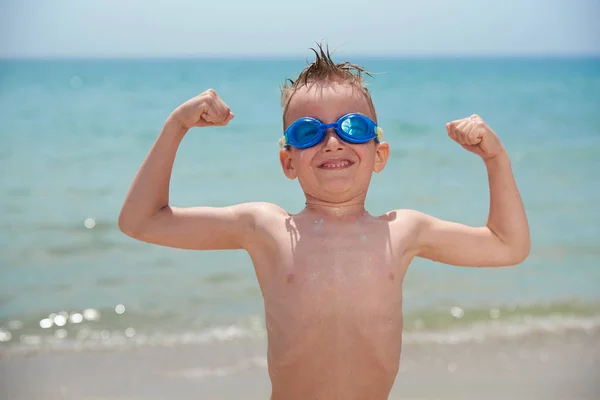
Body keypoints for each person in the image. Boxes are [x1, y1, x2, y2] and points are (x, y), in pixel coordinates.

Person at [118, 44, 530, 400]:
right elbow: (141, 220)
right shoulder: (266, 228)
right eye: (307, 132)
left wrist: (496, 159)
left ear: (379, 154)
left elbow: (507, 245)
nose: (332, 141)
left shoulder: (403, 231)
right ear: (288, 161)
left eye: (353, 126)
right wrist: (177, 125)